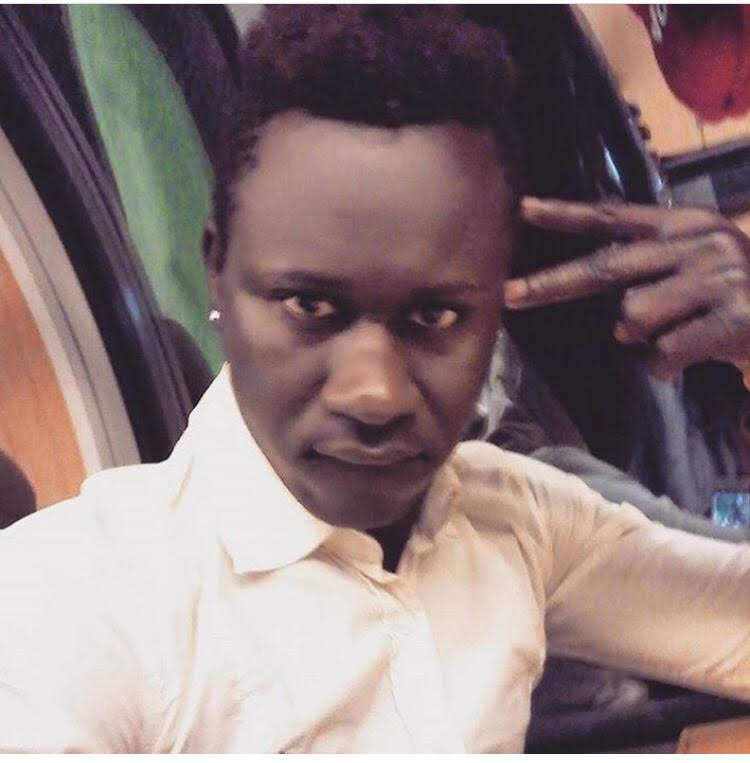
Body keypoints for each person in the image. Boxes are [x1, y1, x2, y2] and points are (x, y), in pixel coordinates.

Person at [3, 6, 750, 752]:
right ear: (217, 270)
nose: (376, 393)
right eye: (310, 306)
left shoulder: (510, 517)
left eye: (435, 317)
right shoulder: (78, 600)